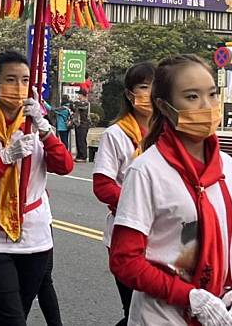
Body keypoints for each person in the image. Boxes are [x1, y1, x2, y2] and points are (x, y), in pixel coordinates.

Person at [110, 54, 232, 325]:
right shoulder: (146, 170)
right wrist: (191, 297)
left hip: (218, 316)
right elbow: (125, 261)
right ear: (164, 106)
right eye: (192, 97)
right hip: (162, 317)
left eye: (213, 94)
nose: (208, 106)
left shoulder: (227, 167)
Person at [0, 51, 74, 326]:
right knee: (12, 318)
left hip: (34, 233)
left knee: (13, 314)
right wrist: (4, 158)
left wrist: (45, 129)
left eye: (25, 80)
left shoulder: (37, 127)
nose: (18, 87)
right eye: (10, 80)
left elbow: (65, 166)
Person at [92, 62, 155, 326]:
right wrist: (137, 207)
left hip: (164, 236)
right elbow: (103, 185)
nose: (150, 94)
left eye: (156, 88)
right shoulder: (116, 135)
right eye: (143, 87)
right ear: (130, 94)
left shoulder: (168, 132)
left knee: (156, 313)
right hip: (126, 233)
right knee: (135, 310)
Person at [72, 89, 91, 162]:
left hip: (83, 124)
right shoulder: (78, 103)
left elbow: (81, 106)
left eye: (79, 94)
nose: (78, 96)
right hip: (78, 124)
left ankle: (83, 156)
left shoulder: (86, 103)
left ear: (82, 95)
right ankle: (79, 155)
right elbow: (74, 107)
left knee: (81, 140)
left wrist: (75, 104)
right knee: (78, 140)